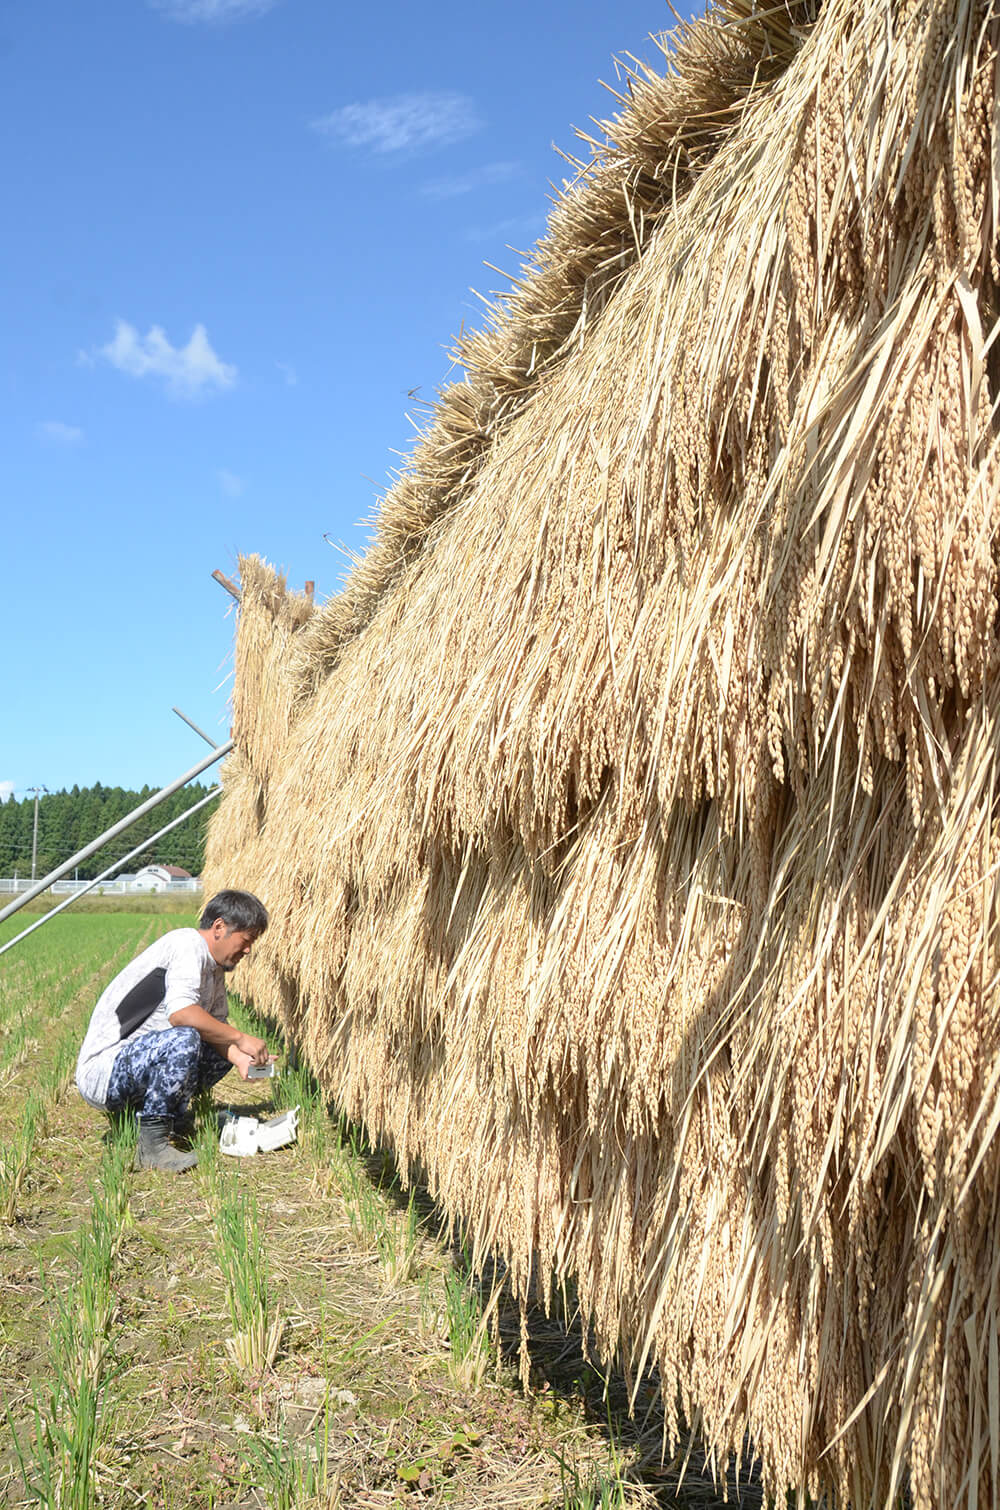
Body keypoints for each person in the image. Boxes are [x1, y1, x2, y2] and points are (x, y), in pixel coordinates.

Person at [75, 889, 272, 1172]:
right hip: (103, 1072)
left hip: (137, 1062)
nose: (249, 949)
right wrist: (241, 1038)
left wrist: (241, 1058)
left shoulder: (213, 969)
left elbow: (215, 1029)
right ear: (219, 927)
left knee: (218, 1040)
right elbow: (181, 1015)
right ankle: (152, 1148)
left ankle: (166, 1118)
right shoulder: (187, 944)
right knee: (187, 1036)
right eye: (247, 939)